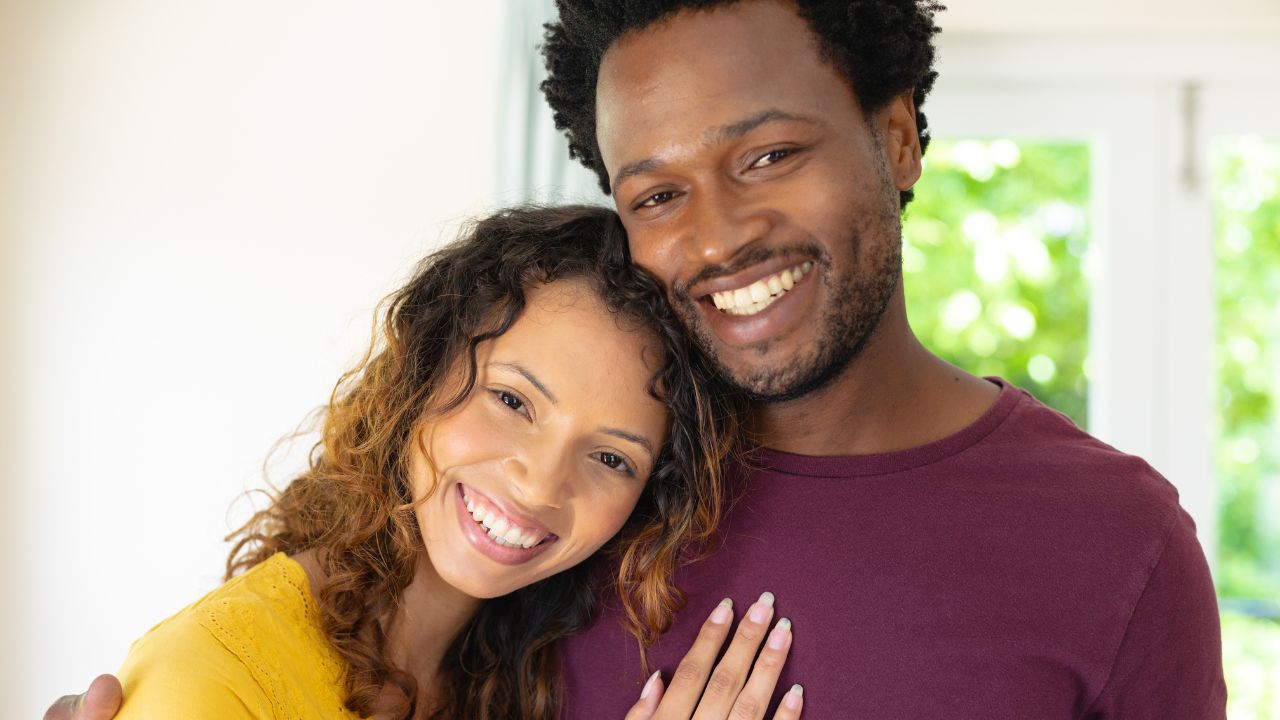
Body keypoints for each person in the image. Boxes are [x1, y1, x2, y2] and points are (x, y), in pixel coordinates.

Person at [51, 0, 1229, 718]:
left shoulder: (1113, 544)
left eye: (765, 156)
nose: (715, 237)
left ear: (895, 137)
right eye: (657, 193)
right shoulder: (529, 540)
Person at [47, 204, 814, 720]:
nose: (539, 484)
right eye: (512, 400)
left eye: (612, 457)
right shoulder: (216, 677)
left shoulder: (508, 680)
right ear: (420, 373)